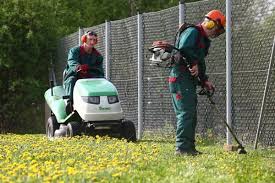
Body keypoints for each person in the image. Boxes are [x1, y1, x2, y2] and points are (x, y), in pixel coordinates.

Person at [169, 10, 226, 156]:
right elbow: (184, 48)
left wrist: (204, 80)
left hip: (188, 80)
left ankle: (189, 148)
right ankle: (182, 149)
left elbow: (200, 62)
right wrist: (193, 63)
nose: (216, 33)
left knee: (191, 114)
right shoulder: (193, 31)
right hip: (180, 77)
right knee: (186, 113)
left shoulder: (203, 39)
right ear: (211, 23)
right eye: (217, 29)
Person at [63, 31, 104, 112]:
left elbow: (99, 70)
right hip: (74, 74)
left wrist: (91, 72)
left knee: (102, 80)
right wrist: (79, 68)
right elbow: (72, 62)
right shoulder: (74, 51)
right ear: (84, 39)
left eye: (94, 40)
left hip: (90, 76)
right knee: (71, 80)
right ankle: (69, 103)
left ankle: (101, 104)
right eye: (90, 39)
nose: (92, 42)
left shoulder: (98, 56)